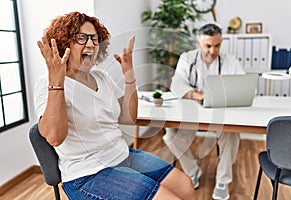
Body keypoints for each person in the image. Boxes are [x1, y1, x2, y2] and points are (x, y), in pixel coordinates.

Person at [34, 11, 196, 200]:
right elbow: (54, 137)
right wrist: (57, 81)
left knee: (186, 187)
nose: (91, 44)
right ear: (64, 43)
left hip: (122, 155)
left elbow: (129, 117)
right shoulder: (48, 83)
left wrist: (129, 76)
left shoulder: (103, 77)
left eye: (95, 39)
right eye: (81, 38)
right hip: (88, 174)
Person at [163, 23, 245, 200]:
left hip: (219, 115)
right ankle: (193, 170)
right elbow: (176, 84)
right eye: (208, 46)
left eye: (217, 46)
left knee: (231, 135)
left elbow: (246, 87)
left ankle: (223, 180)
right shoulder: (187, 58)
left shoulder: (229, 61)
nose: (213, 51)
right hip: (192, 116)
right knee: (170, 136)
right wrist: (195, 94)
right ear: (198, 43)